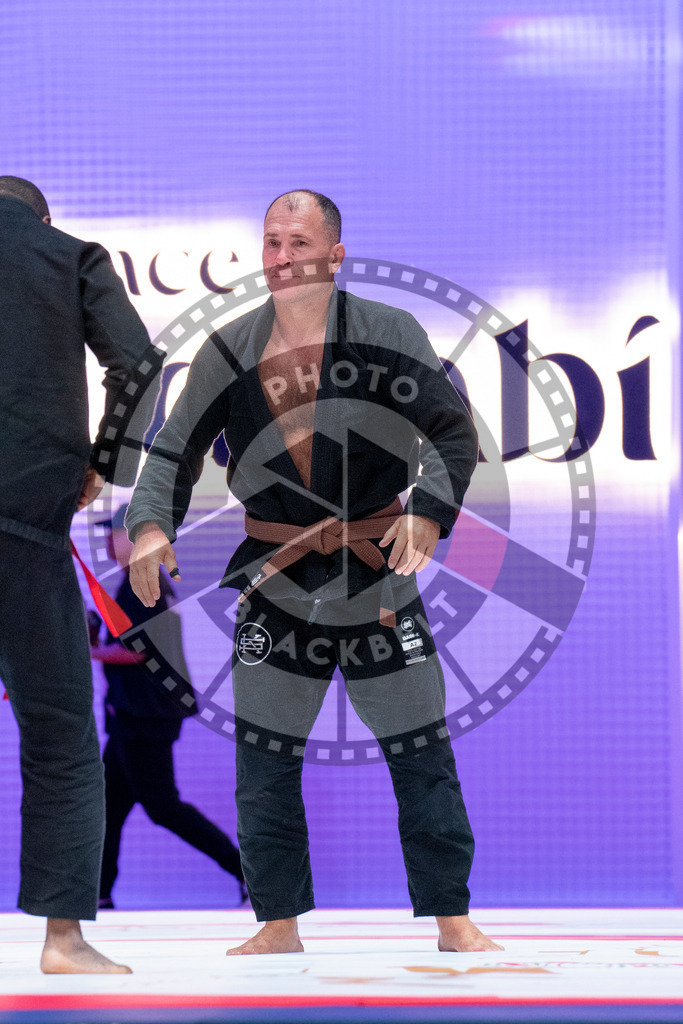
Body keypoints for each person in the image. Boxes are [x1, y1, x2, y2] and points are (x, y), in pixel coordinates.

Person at [125, 190, 503, 955]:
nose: (282, 256)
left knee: (418, 746)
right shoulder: (229, 348)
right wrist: (149, 525)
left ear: (335, 254)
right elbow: (171, 448)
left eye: (298, 242)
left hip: (375, 574)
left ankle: (451, 916)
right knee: (264, 753)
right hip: (276, 577)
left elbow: (449, 430)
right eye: (272, 242)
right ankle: (278, 921)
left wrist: (428, 510)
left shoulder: (387, 331)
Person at [0, 176, 162, 973]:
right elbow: (138, 364)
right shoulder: (69, 258)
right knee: (61, 738)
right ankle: (62, 941)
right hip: (24, 527)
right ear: (43, 217)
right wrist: (106, 461)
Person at [91, 505, 247, 907]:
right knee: (110, 805)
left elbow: (140, 652)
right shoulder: (145, 580)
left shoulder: (139, 583)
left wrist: (91, 651)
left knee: (162, 806)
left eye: (113, 532)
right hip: (139, 714)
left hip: (143, 716)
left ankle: (246, 871)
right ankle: (99, 893)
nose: (107, 541)